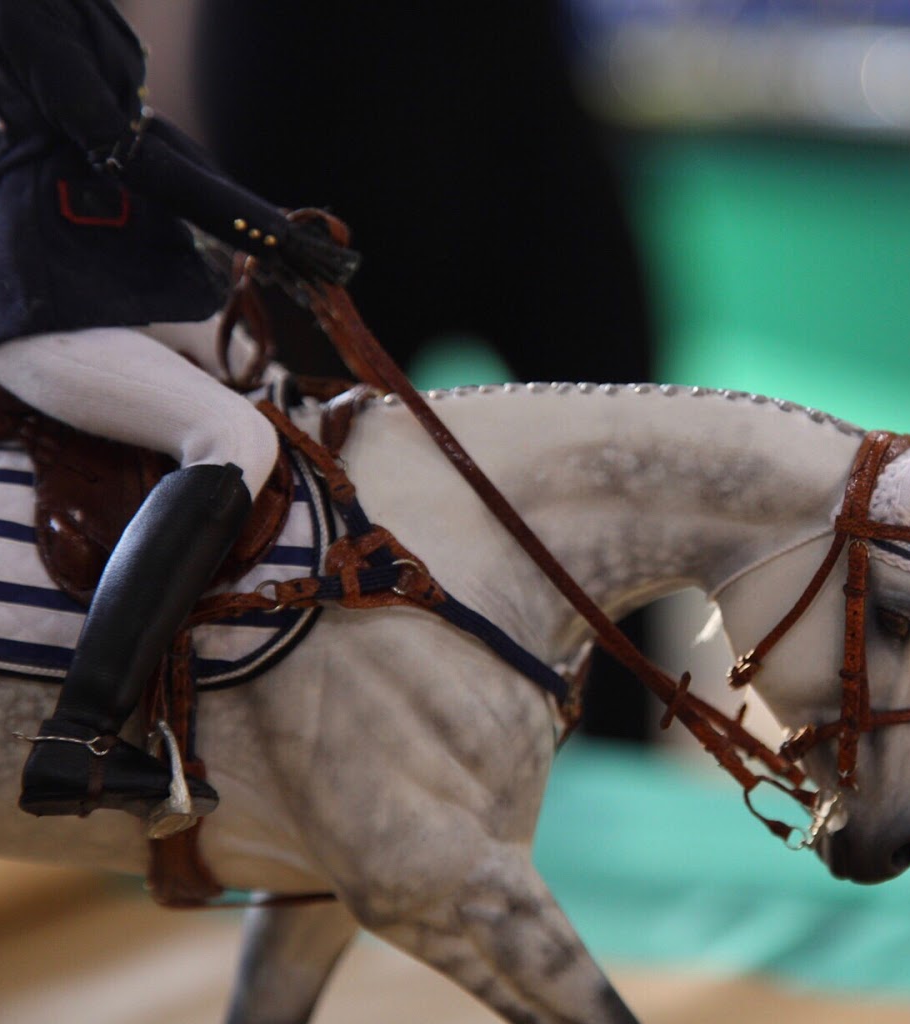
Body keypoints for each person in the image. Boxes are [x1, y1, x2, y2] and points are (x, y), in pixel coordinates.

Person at [192, 0, 661, 741]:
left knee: (625, 450)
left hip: (512, 89)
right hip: (306, 88)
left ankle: (620, 769)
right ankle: (277, 753)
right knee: (295, 483)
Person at [0, 0, 358, 832]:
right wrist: (260, 232)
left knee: (283, 392)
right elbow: (115, 143)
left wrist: (264, 226)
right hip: (47, 287)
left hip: (113, 269)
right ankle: (77, 735)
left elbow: (146, 127)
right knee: (231, 436)